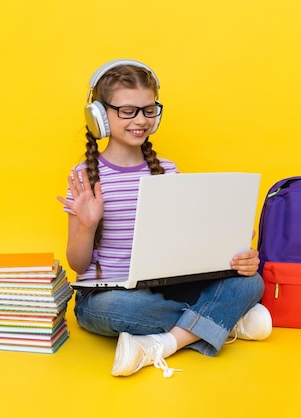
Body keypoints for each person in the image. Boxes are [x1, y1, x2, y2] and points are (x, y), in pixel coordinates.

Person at [57, 59, 272, 377]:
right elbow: (76, 263)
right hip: (105, 297)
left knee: (250, 281)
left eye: (148, 109)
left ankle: (167, 342)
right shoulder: (84, 177)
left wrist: (229, 247)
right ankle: (225, 321)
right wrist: (87, 225)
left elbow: (185, 244)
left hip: (165, 288)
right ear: (100, 116)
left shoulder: (168, 171)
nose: (140, 120)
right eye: (128, 111)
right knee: (122, 308)